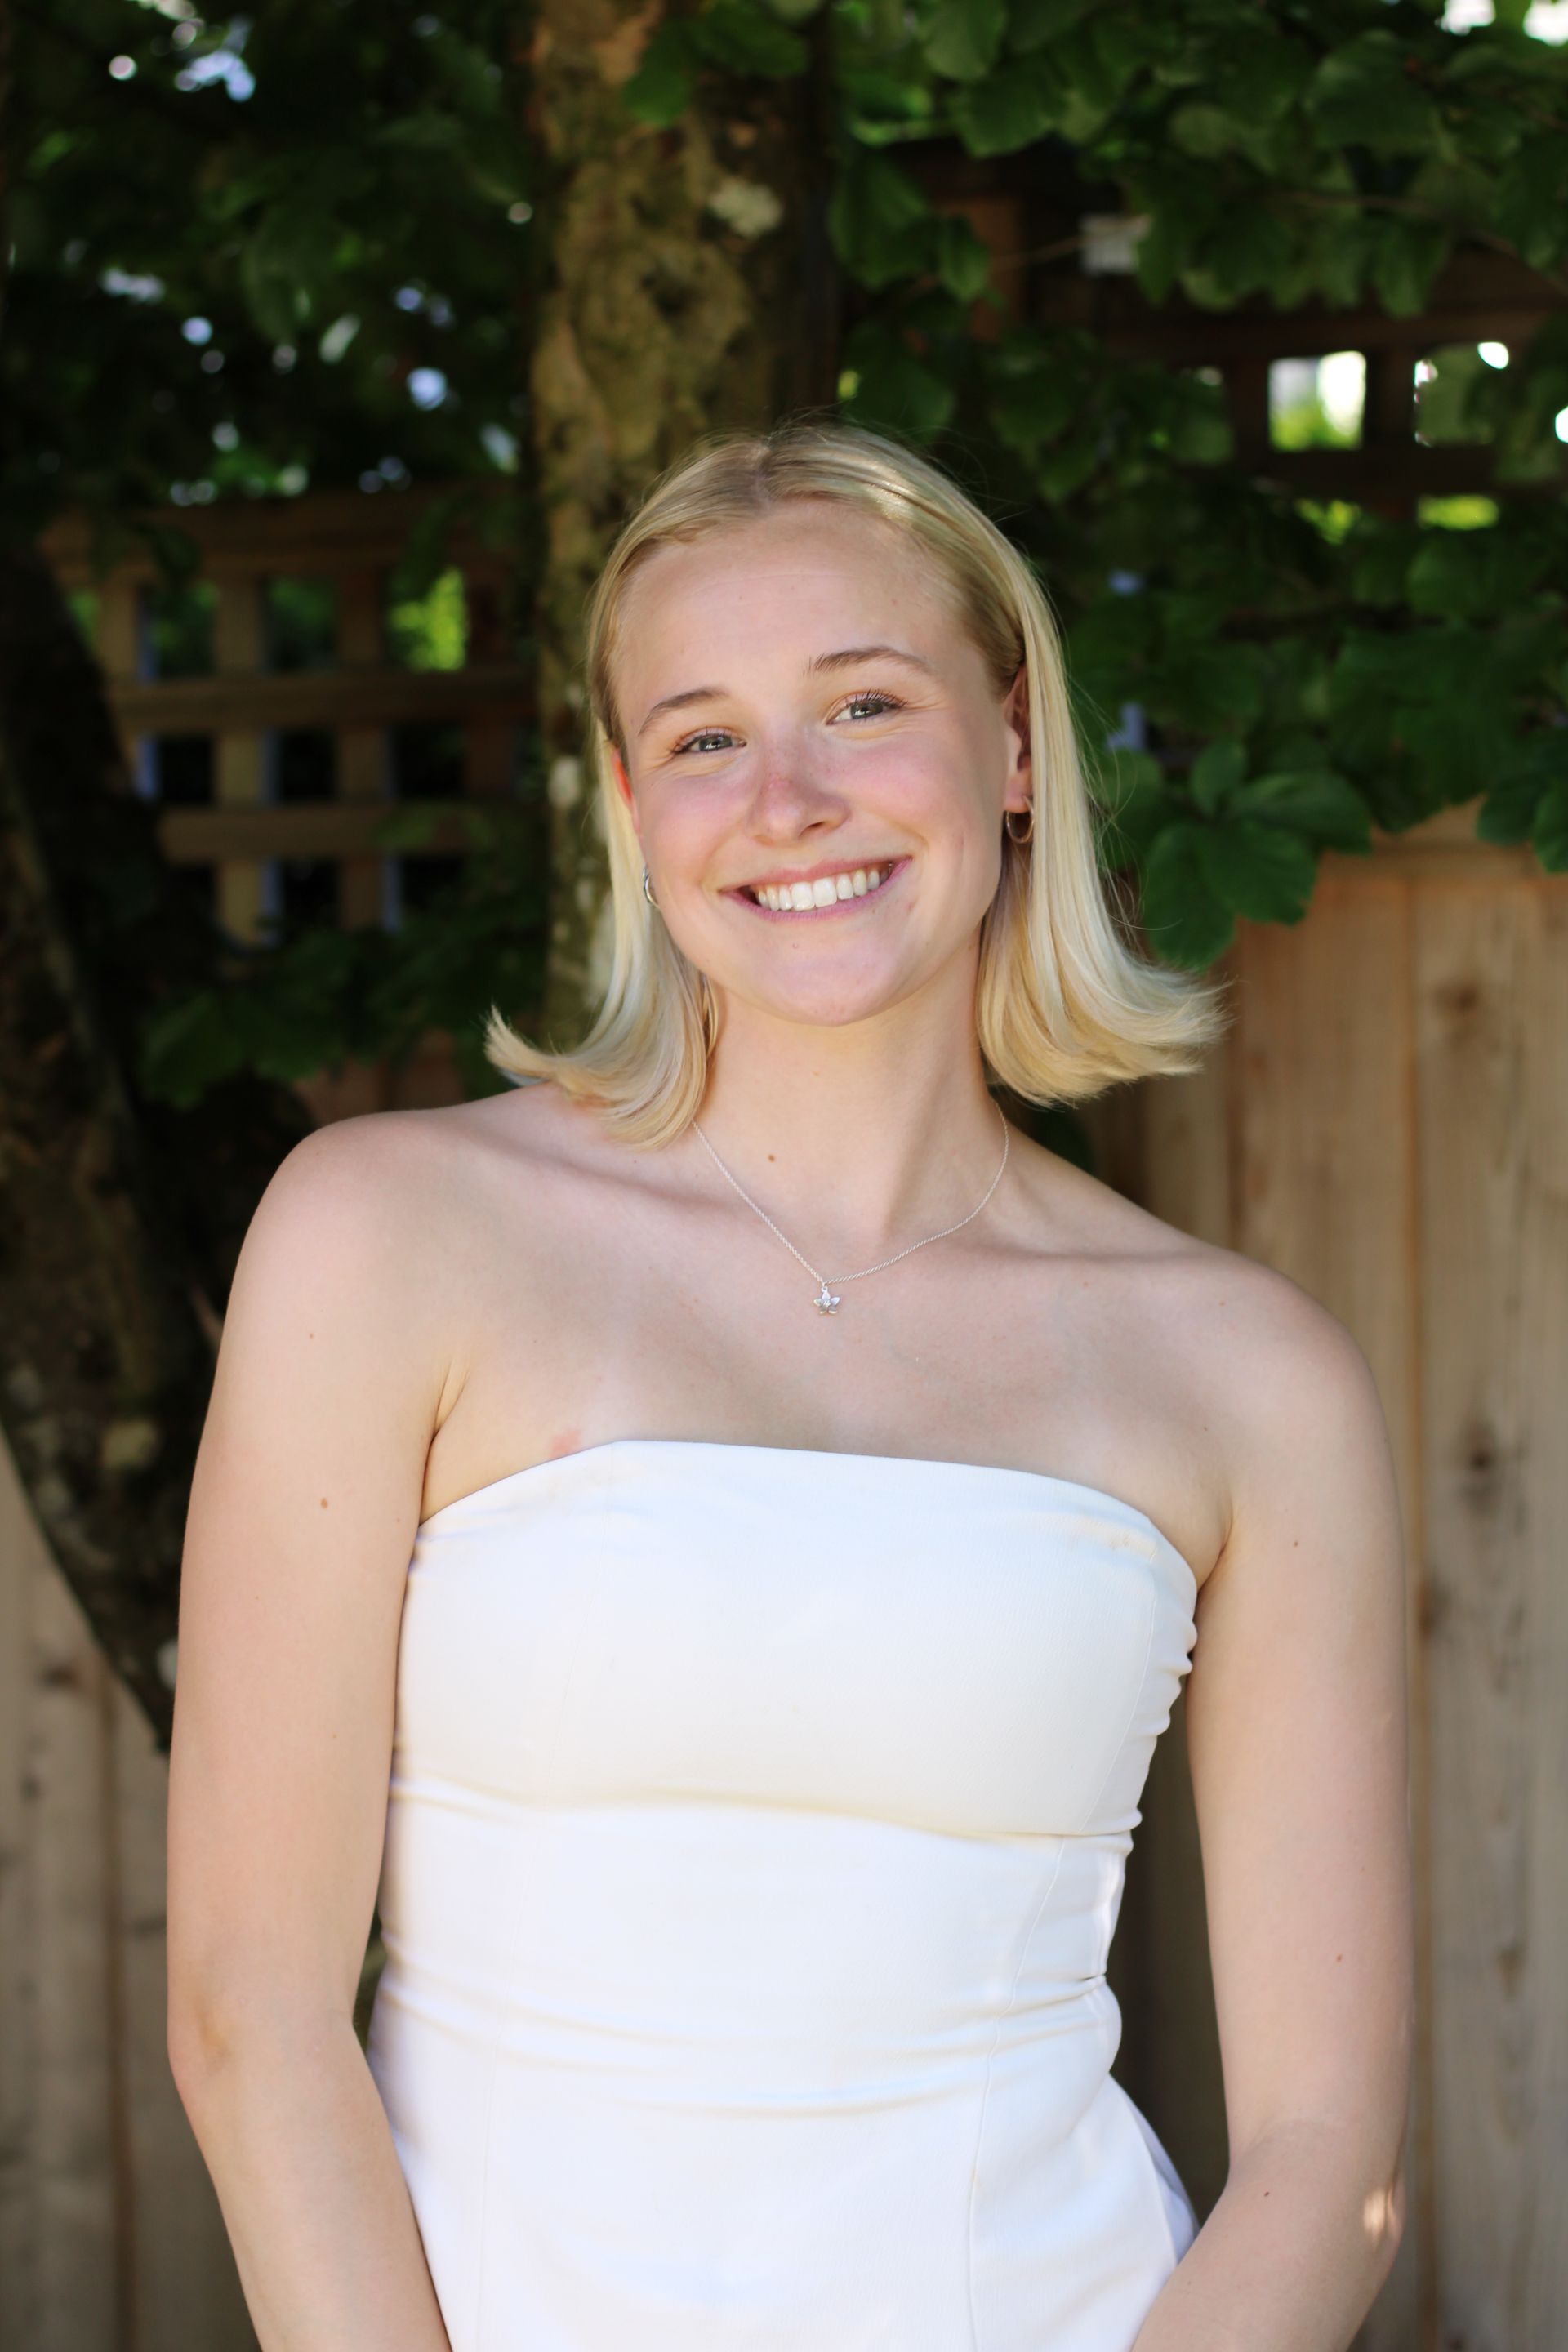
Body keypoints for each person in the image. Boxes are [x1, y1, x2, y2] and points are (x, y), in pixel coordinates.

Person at [166, 418, 1414, 2352]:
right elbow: (251, 2010)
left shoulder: (1252, 1377)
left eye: (860, 703)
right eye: (704, 736)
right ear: (628, 803)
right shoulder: (387, 1235)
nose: (790, 798)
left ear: (1010, 746)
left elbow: (1331, 2151)